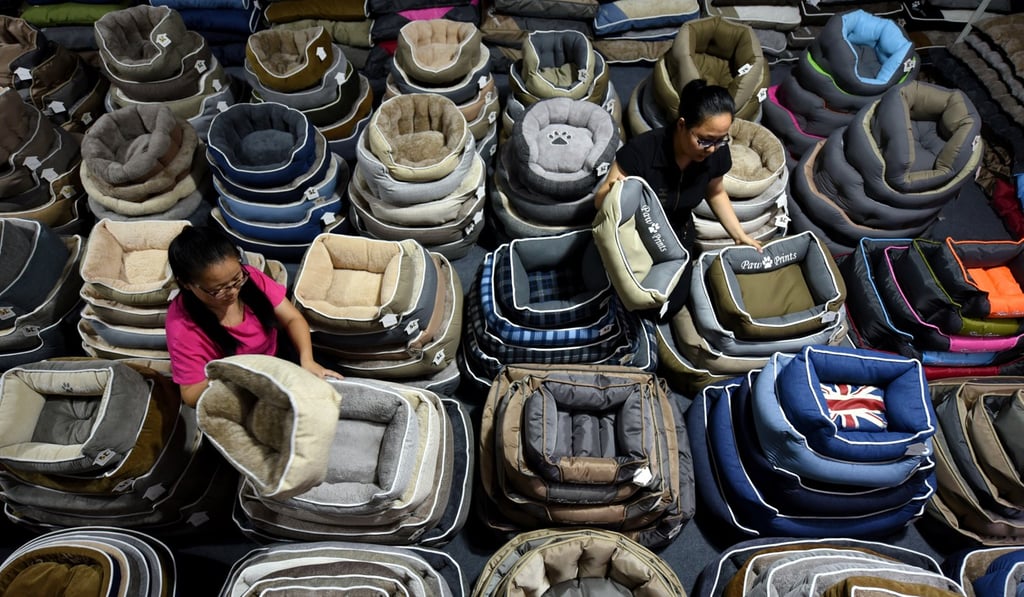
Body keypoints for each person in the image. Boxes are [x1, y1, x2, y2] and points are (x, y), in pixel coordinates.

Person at [166, 226, 341, 407]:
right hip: (239, 386)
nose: (233, 291)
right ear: (187, 284)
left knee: (334, 388)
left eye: (237, 279)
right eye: (218, 290)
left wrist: (307, 360)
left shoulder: (250, 278)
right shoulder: (182, 327)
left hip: (280, 357)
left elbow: (292, 319)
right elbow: (191, 395)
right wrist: (235, 377)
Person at [595, 79, 763, 252]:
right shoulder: (641, 151)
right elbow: (599, 202)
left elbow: (716, 191)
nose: (712, 148)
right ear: (682, 125)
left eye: (721, 139)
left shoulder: (718, 152)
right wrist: (615, 193)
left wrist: (739, 235)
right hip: (636, 234)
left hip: (679, 234)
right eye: (704, 140)